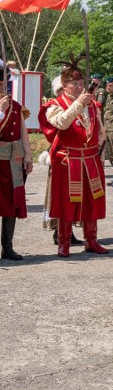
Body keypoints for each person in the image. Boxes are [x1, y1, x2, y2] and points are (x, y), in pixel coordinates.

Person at [39, 54, 109, 257]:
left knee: (92, 201)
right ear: (65, 85)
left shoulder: (92, 105)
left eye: (81, 83)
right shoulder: (54, 104)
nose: (79, 87)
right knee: (66, 203)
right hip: (67, 161)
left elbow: (100, 131)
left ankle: (91, 240)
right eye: (74, 83)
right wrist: (78, 104)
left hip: (90, 160)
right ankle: (64, 243)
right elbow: (61, 123)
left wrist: (100, 153)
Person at [0, 75, 33, 261]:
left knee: (11, 205)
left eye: (4, 83)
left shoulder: (16, 106)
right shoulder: (4, 106)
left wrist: (27, 156)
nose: (3, 87)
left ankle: (8, 247)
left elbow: (22, 133)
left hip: (13, 161)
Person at [100, 76, 113, 170]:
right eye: (107, 86)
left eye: (111, 85)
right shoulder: (108, 96)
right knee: (109, 152)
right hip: (107, 128)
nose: (108, 87)